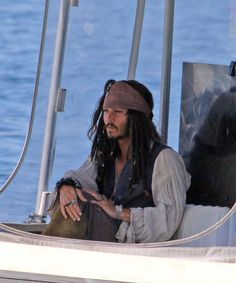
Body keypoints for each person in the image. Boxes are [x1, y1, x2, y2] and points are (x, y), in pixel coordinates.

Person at [43, 79, 191, 243]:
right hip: (99, 242)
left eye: (118, 111)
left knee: (82, 206)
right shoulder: (105, 155)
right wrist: (66, 187)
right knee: (76, 199)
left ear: (137, 117)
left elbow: (168, 220)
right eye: (106, 111)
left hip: (131, 248)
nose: (109, 118)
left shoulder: (164, 159)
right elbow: (80, 178)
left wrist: (117, 211)